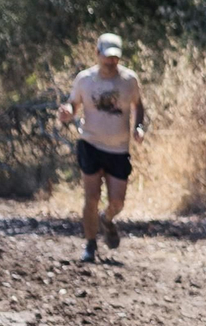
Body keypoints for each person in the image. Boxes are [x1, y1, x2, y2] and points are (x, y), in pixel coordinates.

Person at [57, 32, 146, 264]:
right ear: (97, 54)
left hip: (118, 148)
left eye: (115, 57)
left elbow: (138, 105)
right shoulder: (84, 80)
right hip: (91, 144)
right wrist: (67, 111)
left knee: (118, 202)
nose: (111, 62)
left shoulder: (129, 80)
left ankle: (107, 220)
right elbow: (73, 104)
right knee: (92, 197)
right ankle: (90, 244)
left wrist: (139, 127)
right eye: (107, 57)